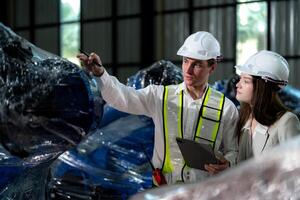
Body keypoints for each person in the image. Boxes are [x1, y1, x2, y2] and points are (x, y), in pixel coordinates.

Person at [77, 31, 239, 185]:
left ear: (212, 67)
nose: (188, 70)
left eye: (197, 64)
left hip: (203, 192)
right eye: (185, 61)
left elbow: (233, 151)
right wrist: (101, 74)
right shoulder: (161, 97)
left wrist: (228, 163)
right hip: (165, 189)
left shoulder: (226, 108)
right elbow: (122, 98)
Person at [235, 50, 300, 162]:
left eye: (246, 81)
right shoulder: (244, 117)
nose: (238, 85)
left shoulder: (286, 121)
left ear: (262, 87)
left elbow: (294, 168)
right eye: (240, 79)